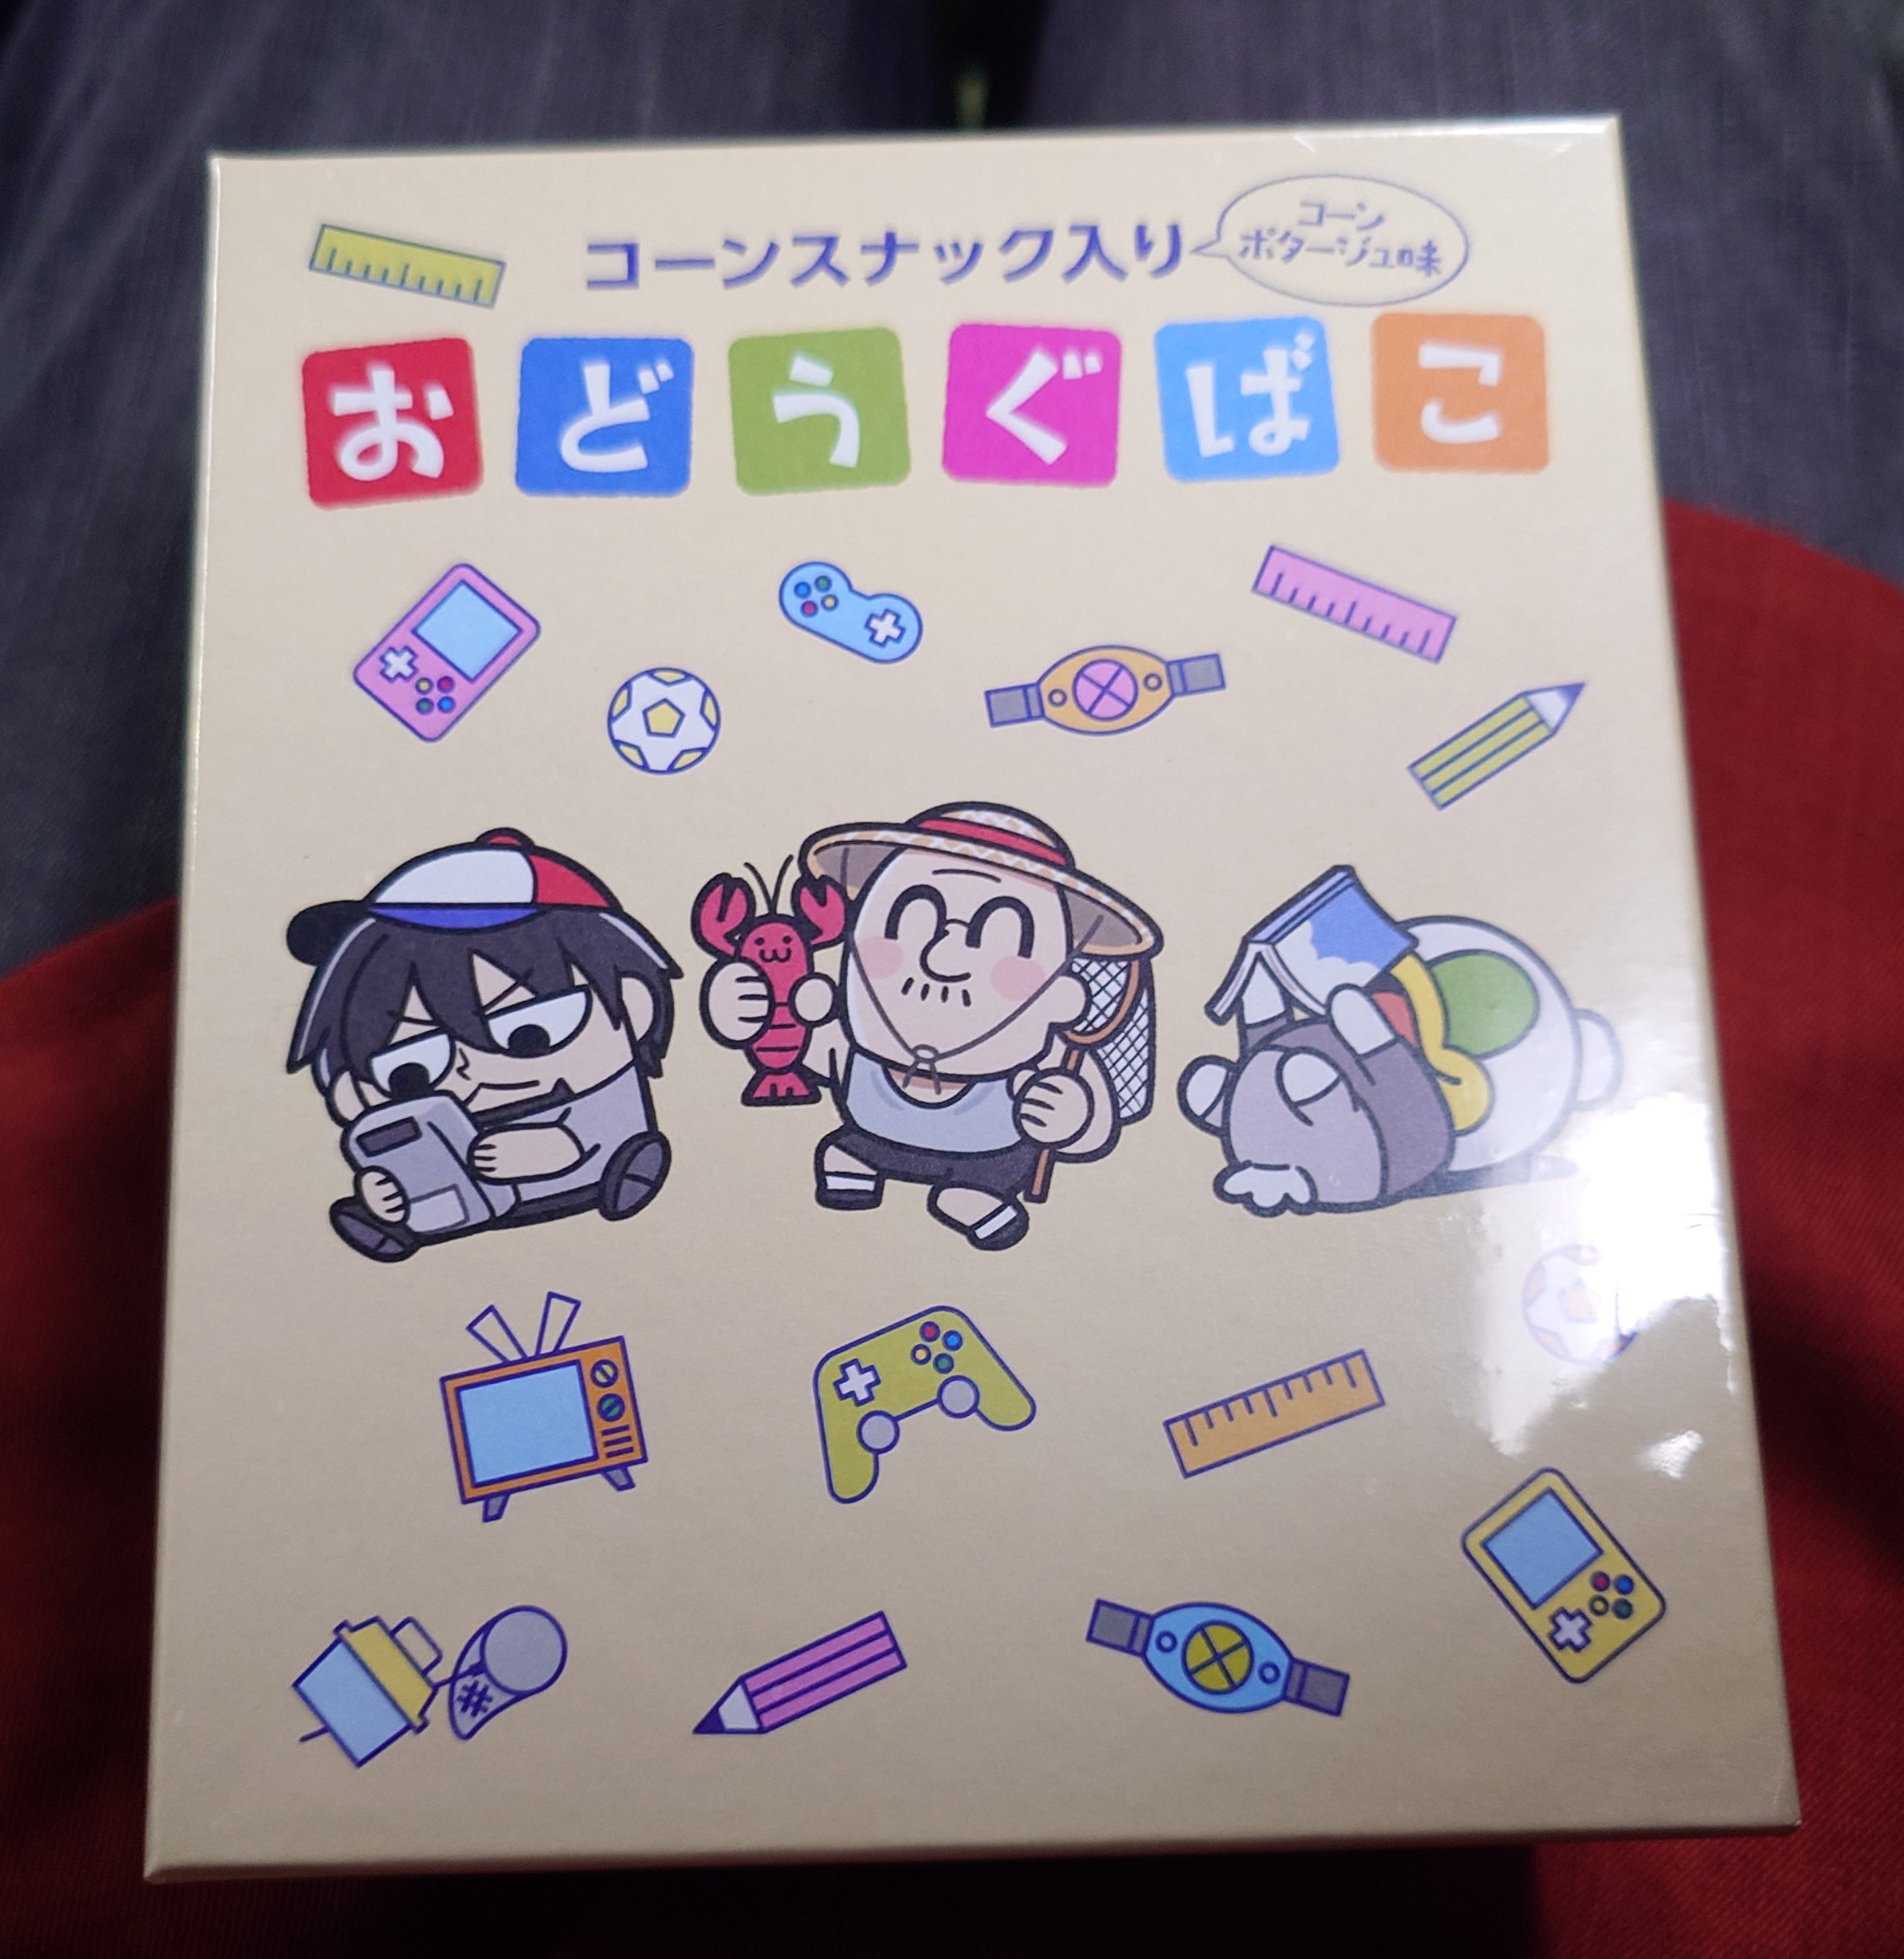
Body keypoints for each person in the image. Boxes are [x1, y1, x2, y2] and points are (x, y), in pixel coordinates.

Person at [699, 802, 1159, 1249]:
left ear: (1062, 997)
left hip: (986, 1162)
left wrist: (1072, 1117)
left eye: (1000, 933)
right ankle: (854, 1178)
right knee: (846, 1152)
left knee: (971, 1188)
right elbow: (801, 1049)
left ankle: (980, 1201)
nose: (942, 959)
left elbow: (1090, 1131)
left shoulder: (1040, 1061)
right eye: (911, 918)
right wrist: (750, 1017)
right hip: (873, 1141)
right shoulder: (853, 1045)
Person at [286, 828, 678, 1260]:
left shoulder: (601, 1093)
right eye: (411, 1072)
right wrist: (390, 1192)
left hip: (598, 1172)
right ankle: (398, 1226)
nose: (469, 1071)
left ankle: (629, 1174)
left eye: (529, 1034)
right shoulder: (425, 1118)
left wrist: (557, 1147)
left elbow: (597, 1127)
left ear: (634, 1004)